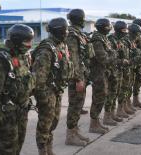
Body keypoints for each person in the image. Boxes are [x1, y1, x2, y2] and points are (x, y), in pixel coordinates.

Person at [0, 24, 35, 155]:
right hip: (7, 115)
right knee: (7, 149)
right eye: (27, 41)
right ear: (17, 41)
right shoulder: (1, 61)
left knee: (18, 144)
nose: (30, 45)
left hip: (22, 110)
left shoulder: (22, 56)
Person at [32, 18, 73, 155]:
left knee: (53, 121)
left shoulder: (61, 45)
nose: (67, 32)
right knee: (45, 123)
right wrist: (43, 99)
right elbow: (39, 78)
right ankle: (43, 150)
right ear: (59, 30)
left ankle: (49, 149)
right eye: (65, 30)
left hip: (57, 90)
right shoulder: (46, 49)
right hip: (47, 91)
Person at [65, 9, 92, 146]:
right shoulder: (72, 34)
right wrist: (78, 79)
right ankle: (70, 135)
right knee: (75, 105)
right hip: (76, 76)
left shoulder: (78, 33)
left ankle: (74, 131)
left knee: (78, 104)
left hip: (82, 74)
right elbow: (73, 58)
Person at [89, 18, 116, 134]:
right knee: (98, 97)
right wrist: (114, 56)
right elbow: (103, 59)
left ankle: (96, 122)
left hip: (103, 72)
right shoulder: (97, 40)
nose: (110, 28)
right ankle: (93, 124)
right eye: (108, 26)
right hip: (98, 73)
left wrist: (112, 55)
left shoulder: (103, 38)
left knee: (102, 96)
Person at [132, 19, 141, 108]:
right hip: (134, 61)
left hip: (139, 61)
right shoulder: (133, 35)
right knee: (130, 81)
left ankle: (136, 100)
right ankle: (130, 102)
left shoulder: (139, 34)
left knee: (138, 80)